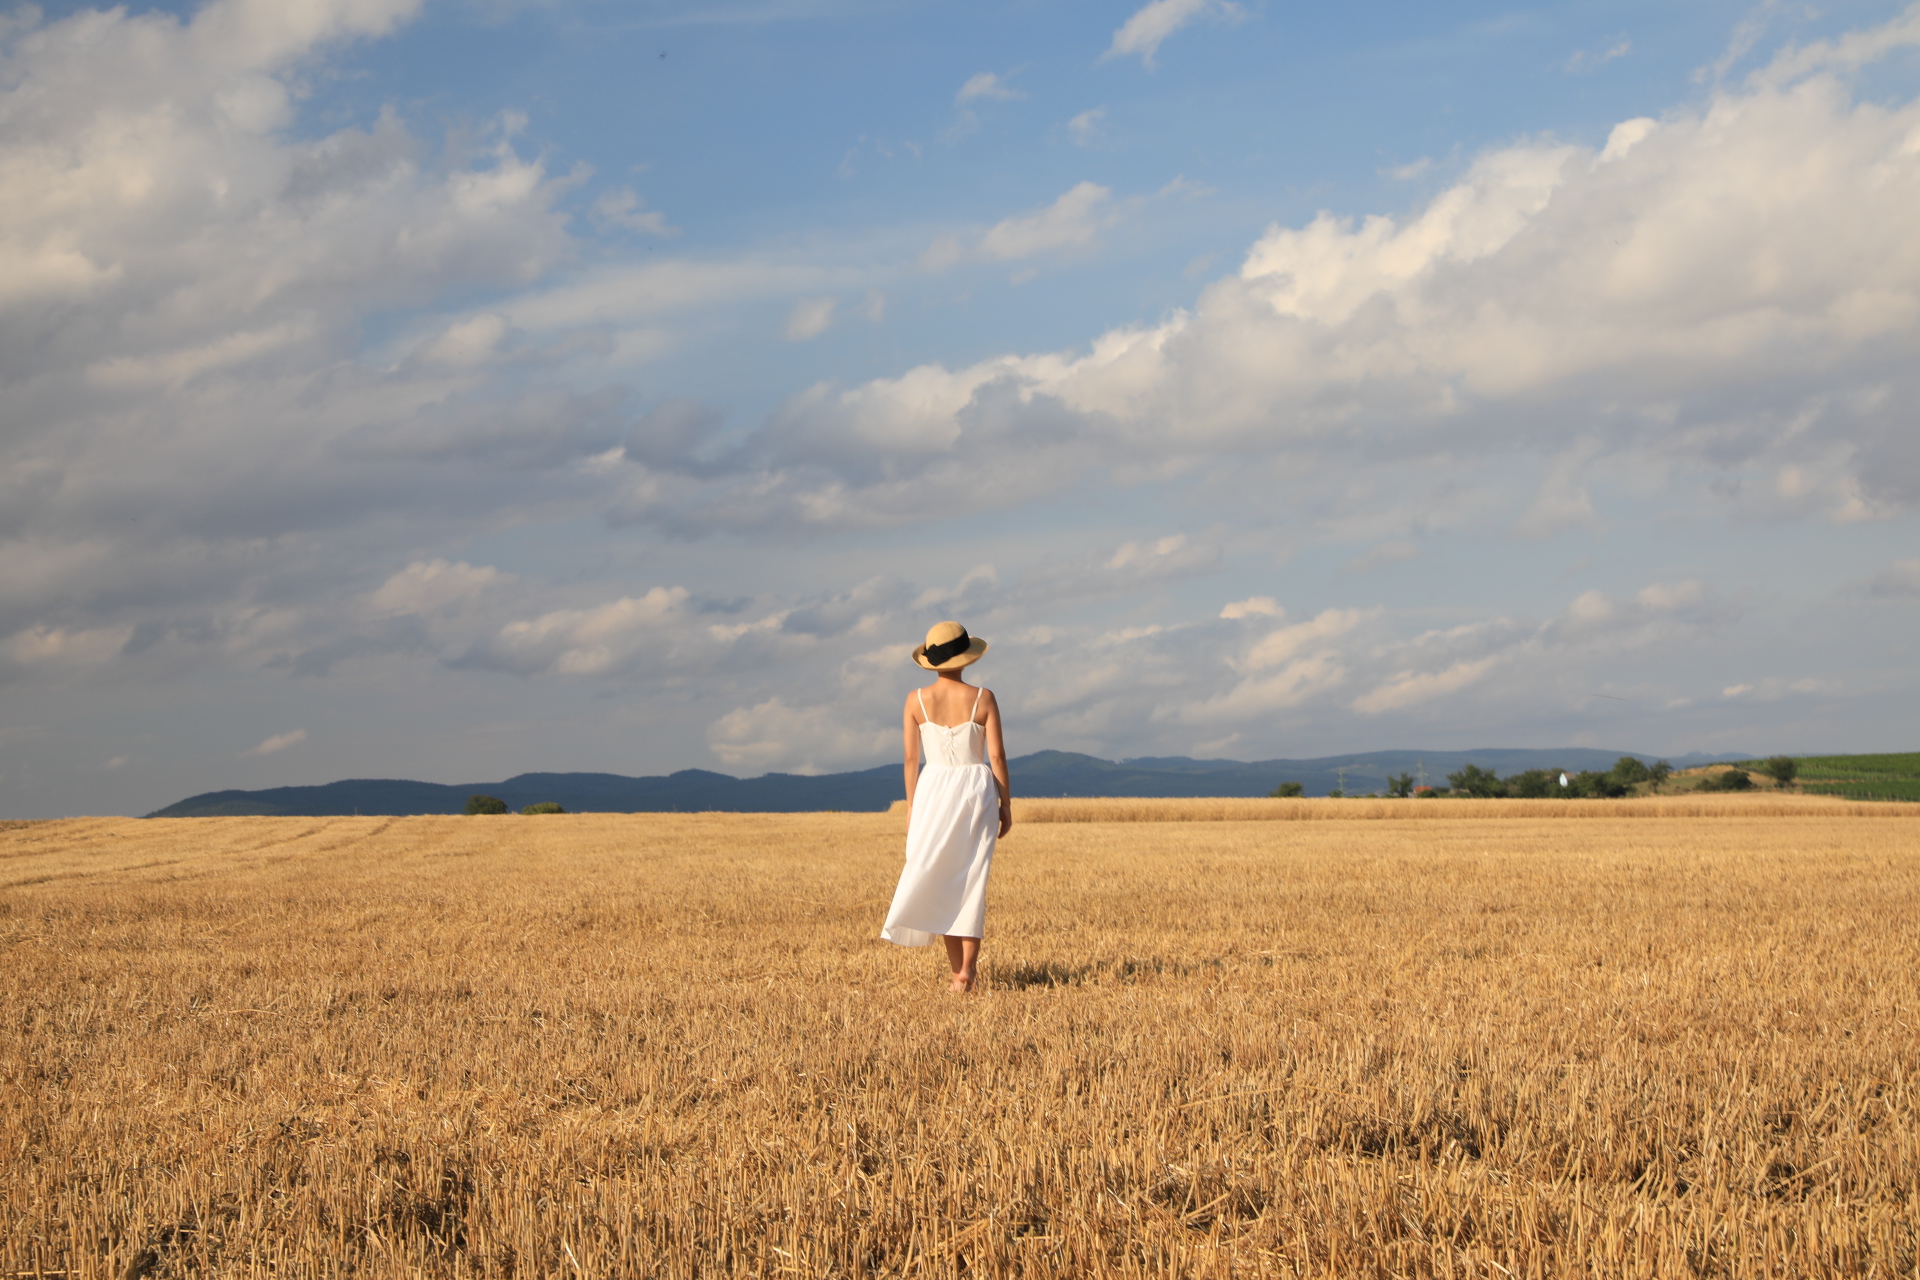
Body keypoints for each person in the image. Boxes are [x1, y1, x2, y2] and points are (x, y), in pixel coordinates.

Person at [880, 620, 1012, 993]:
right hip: (976, 789)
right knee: (971, 880)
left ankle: (959, 974)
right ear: (966, 658)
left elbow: (910, 760)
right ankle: (966, 971)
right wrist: (1006, 804)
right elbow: (997, 757)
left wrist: (910, 808)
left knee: (939, 877)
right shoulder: (984, 697)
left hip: (933, 789)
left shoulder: (915, 700)